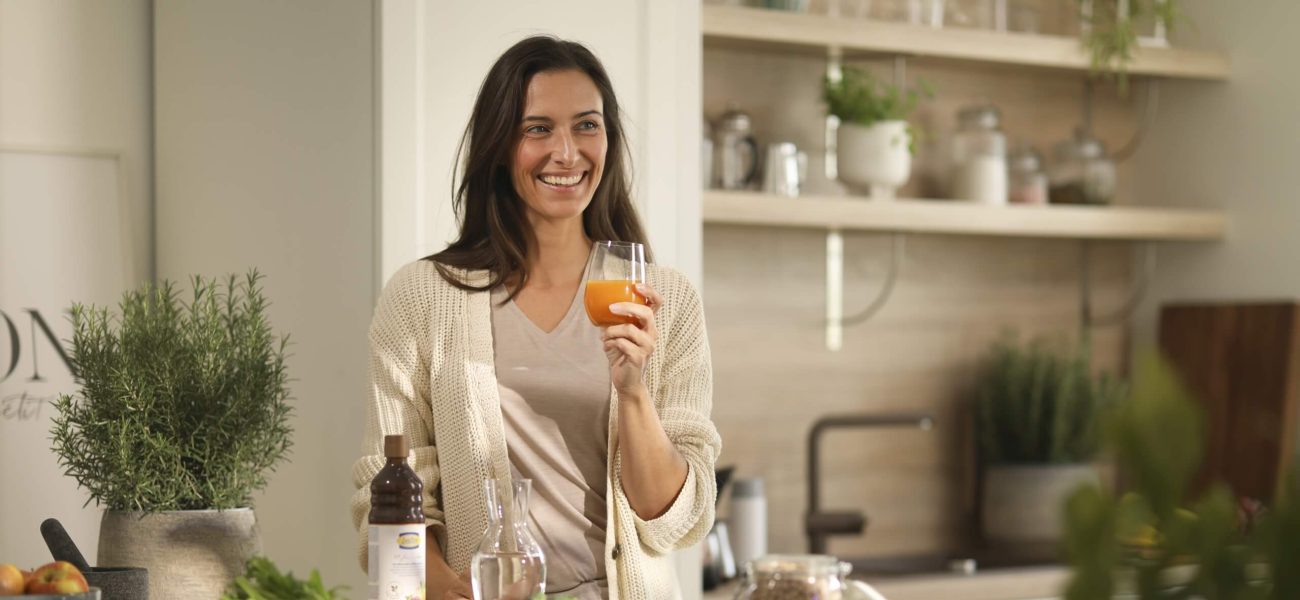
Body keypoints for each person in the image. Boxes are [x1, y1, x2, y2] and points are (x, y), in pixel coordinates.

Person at [350, 35, 721, 600]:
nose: (566, 153)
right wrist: (445, 589)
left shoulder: (664, 300)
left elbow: (671, 517)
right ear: (500, 146)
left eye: (587, 125)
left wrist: (633, 390)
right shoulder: (421, 298)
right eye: (537, 128)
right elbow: (388, 489)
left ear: (609, 140)